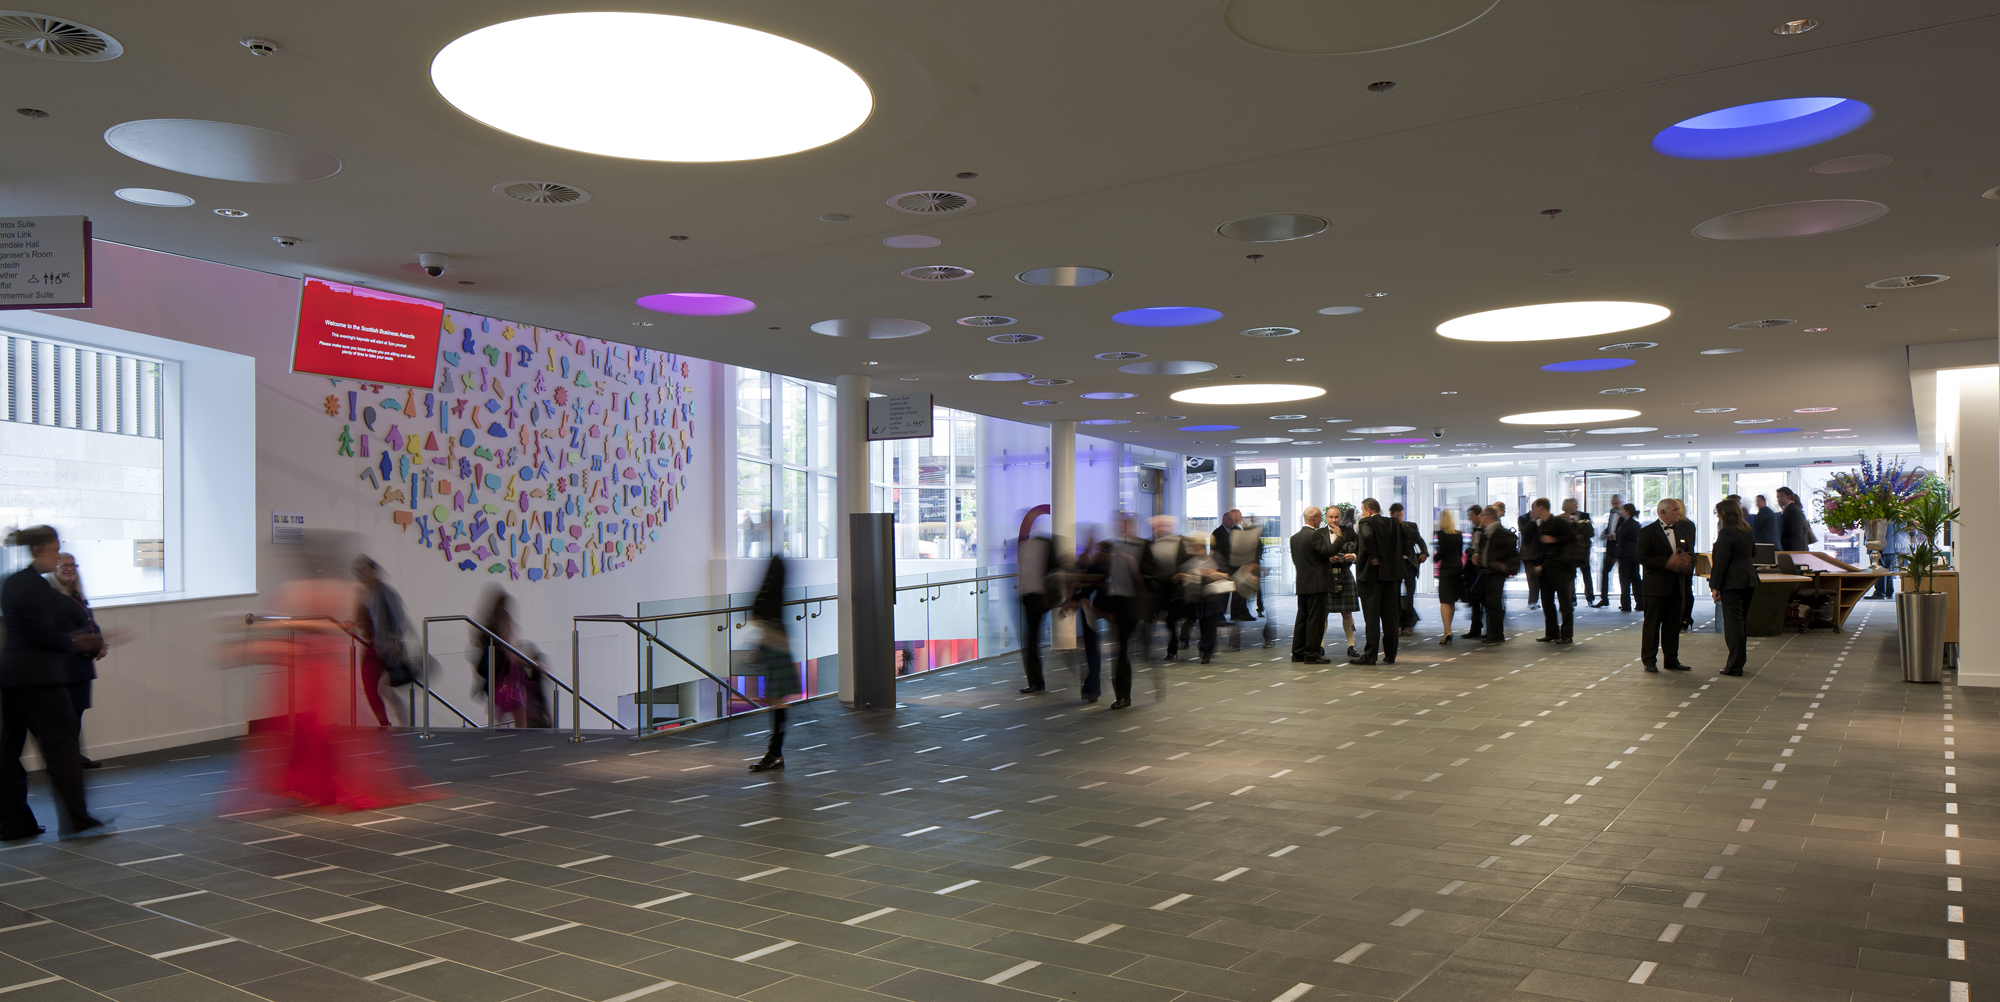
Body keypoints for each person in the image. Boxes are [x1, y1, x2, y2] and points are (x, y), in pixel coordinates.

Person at [0, 527, 104, 839]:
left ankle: (14, 822)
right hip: (40, 679)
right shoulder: (33, 586)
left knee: (8, 753)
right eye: (54, 550)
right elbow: (45, 635)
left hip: (14, 677)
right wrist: (83, 643)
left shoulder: (16, 582)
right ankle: (77, 819)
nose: (58, 556)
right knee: (63, 750)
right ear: (37, 551)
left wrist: (81, 638)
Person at [47, 554, 105, 769]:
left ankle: (73, 756)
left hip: (81, 664)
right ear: (55, 569)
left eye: (73, 565)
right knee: (65, 716)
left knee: (77, 712)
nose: (70, 569)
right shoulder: (53, 596)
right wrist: (92, 642)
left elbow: (90, 622)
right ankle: (64, 759)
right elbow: (63, 629)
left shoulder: (76, 594)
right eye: (65, 565)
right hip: (65, 665)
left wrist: (100, 642)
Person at [745, 554, 801, 771]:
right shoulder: (776, 599)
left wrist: (762, 642)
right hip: (777, 645)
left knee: (776, 700)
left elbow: (763, 607)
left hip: (777, 647)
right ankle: (774, 752)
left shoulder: (771, 607)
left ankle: (775, 753)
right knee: (775, 699)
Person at [1638, 499, 1697, 672]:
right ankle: (1649, 660)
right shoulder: (1647, 532)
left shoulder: (1682, 530)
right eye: (1674, 510)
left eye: (1678, 509)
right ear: (1661, 513)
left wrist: (1688, 563)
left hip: (1676, 586)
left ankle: (1671, 659)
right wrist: (1667, 562)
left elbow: (1691, 554)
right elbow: (1642, 558)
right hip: (1655, 587)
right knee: (1652, 626)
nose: (1678, 513)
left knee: (1672, 626)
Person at [352, 556, 410, 727]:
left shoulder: (384, 591)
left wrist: (395, 640)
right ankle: (385, 724)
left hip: (386, 648)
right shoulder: (363, 594)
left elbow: (398, 618)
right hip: (371, 647)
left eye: (365, 570)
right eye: (359, 571)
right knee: (371, 689)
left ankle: (405, 725)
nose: (361, 574)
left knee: (384, 689)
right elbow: (361, 622)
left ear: (373, 570)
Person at [1351, 498, 1405, 665]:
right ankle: (1390, 654)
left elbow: (1366, 535)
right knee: (1390, 617)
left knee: (1372, 618)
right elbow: (1408, 537)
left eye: (1362, 510)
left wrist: (1374, 556)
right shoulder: (1393, 523)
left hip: (1371, 577)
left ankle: (1370, 655)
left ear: (1368, 510)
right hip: (1390, 576)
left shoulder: (1366, 522)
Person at [1710, 498, 1758, 677]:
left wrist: (1715, 586)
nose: (1717, 516)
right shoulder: (1746, 529)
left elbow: (1721, 562)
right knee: (1741, 622)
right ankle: (1738, 661)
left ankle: (1735, 665)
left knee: (1733, 625)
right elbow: (1753, 553)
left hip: (1732, 582)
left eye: (1718, 512)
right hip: (1748, 580)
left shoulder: (1726, 532)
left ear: (1724, 513)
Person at [1290, 506, 1339, 664]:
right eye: (1320, 517)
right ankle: (1311, 654)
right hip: (1317, 584)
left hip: (1303, 583)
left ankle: (1297, 653)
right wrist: (1339, 537)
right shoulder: (1315, 535)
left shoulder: (1295, 538)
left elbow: (1308, 559)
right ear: (1313, 517)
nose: (1321, 521)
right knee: (1315, 620)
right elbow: (1329, 551)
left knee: (1302, 618)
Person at [1527, 499, 1577, 644]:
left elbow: (1571, 538)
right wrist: (1539, 564)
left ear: (1542, 508)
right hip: (1547, 568)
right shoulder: (1541, 525)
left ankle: (1567, 634)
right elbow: (1542, 547)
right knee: (1547, 601)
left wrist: (1553, 539)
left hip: (1561, 567)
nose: (1533, 511)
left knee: (1564, 602)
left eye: (1534, 508)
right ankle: (1552, 632)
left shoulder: (1558, 522)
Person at [1177, 540, 1230, 664]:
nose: (1194, 549)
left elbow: (1226, 575)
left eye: (1196, 546)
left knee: (1209, 625)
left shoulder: (1214, 558)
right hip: (1197, 598)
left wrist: (1211, 573)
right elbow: (1184, 574)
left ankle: (1207, 651)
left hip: (1211, 598)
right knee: (1202, 625)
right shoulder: (1190, 561)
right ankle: (1204, 649)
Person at [1147, 516, 1191, 661]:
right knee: (1166, 620)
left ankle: (1173, 646)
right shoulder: (1152, 544)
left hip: (1177, 589)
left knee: (1172, 619)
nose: (1161, 529)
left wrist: (1181, 575)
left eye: (1164, 526)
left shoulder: (1181, 542)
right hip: (1160, 588)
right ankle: (1170, 645)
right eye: (1158, 527)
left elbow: (1188, 562)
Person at [1016, 529, 1053, 693]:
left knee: (1031, 640)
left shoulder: (1030, 546)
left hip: (1032, 597)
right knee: (1032, 640)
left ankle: (1036, 682)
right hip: (1036, 597)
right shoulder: (1043, 546)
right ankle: (1036, 681)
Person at [1476, 507, 1519, 644]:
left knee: (1494, 603)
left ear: (1488, 516)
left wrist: (1502, 564)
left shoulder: (1501, 532)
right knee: (1489, 603)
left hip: (1496, 572)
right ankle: (1491, 632)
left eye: (1482, 516)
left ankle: (1497, 634)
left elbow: (1511, 549)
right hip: (1486, 571)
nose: (1480, 518)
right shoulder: (1485, 533)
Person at [1389, 503, 1428, 637]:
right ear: (1392, 515)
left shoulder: (1411, 526)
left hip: (1410, 563)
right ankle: (1399, 623)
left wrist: (1424, 553)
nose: (1400, 517)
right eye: (1397, 515)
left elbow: (1419, 540)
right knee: (1396, 596)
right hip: (1397, 564)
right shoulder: (1390, 527)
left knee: (1410, 595)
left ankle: (1408, 623)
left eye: (1401, 514)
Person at [1326, 515, 1361, 658]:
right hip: (1327, 575)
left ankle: (1351, 646)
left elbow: (1359, 550)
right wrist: (1326, 558)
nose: (1334, 520)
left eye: (1336, 517)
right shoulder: (1320, 533)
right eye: (1331, 517)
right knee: (1323, 612)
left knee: (1347, 612)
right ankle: (1320, 646)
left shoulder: (1349, 533)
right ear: (1326, 517)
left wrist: (1353, 557)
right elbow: (1314, 553)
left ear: (1340, 517)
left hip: (1344, 573)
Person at [1433, 509, 1464, 645]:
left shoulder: (1440, 534)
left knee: (1444, 600)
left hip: (1446, 568)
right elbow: (1459, 551)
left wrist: (1435, 557)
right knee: (1451, 601)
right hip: (1457, 567)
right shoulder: (1458, 534)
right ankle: (1448, 630)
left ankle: (1447, 631)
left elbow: (1441, 553)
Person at [1562, 499, 1596, 609]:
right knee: (1571, 575)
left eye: (1576, 505)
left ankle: (1590, 598)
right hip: (1570, 551)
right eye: (1573, 505)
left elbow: (1591, 533)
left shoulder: (1585, 516)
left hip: (1583, 550)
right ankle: (1572, 599)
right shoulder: (1561, 518)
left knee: (1586, 573)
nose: (1576, 507)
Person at [1462, 505, 1488, 640]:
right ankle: (1475, 628)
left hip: (1481, 569)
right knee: (1474, 599)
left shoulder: (1484, 531)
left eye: (1471, 516)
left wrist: (1471, 551)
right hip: (1473, 568)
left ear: (1479, 515)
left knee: (1483, 599)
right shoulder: (1475, 530)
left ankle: (1485, 629)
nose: (1470, 519)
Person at [1596, 494, 1625, 608]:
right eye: (1613, 503)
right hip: (1611, 547)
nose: (1614, 506)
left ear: (1621, 502)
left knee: (1623, 575)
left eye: (1616, 503)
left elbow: (1625, 532)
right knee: (1604, 572)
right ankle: (1604, 598)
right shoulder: (1612, 513)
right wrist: (1604, 533)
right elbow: (1611, 526)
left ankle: (1625, 601)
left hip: (1621, 548)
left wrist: (1614, 536)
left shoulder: (1625, 515)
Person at [1616, 503, 1641, 612]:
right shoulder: (1636, 524)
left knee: (1625, 580)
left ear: (1626, 511)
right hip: (1635, 554)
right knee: (1636, 578)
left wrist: (1618, 555)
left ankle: (1626, 604)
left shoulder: (1625, 524)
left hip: (1625, 555)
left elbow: (1622, 541)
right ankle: (1640, 603)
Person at [1775, 487, 1813, 553]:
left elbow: (1792, 532)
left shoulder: (1791, 510)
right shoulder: (1792, 509)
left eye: (1782, 497)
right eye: (1778, 497)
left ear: (1789, 496)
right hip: (1794, 548)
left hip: (1792, 548)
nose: (1779, 499)